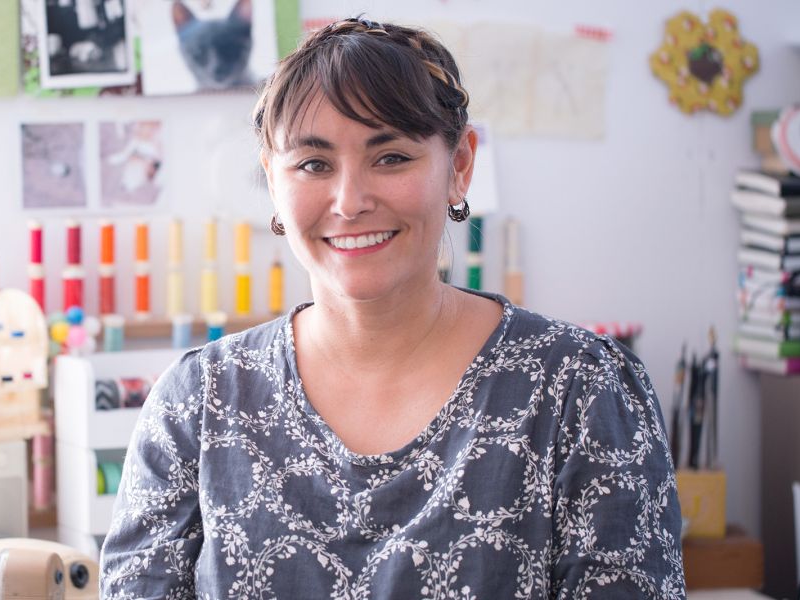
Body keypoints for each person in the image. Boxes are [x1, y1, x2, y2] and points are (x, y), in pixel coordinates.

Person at [101, 16, 684, 598]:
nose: (350, 201)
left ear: (459, 166)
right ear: (273, 181)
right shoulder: (199, 402)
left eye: (392, 157)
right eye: (314, 164)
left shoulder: (581, 390)